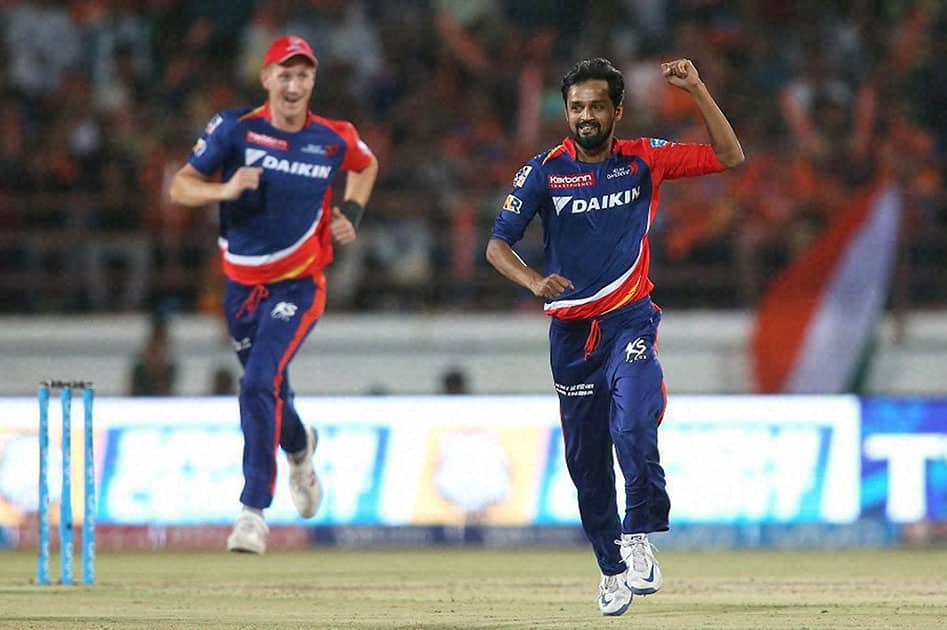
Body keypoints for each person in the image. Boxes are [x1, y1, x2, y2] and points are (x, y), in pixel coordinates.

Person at [486, 57, 743, 616]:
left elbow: (730, 156)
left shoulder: (643, 159)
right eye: (576, 107)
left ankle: (640, 533)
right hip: (571, 338)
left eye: (596, 106)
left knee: (632, 422)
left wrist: (698, 88)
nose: (585, 116)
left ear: (616, 111)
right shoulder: (544, 171)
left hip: (630, 319)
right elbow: (497, 245)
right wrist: (533, 280)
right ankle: (610, 569)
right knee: (587, 466)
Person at [169, 35, 379, 554]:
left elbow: (365, 164)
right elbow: (179, 186)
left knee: (258, 380)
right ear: (266, 79)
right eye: (284, 74)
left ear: (313, 82)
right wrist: (224, 188)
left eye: (303, 75)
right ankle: (301, 449)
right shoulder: (234, 130)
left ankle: (252, 512)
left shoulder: (333, 137)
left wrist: (350, 214)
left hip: (300, 284)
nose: (293, 85)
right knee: (271, 390)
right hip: (240, 288)